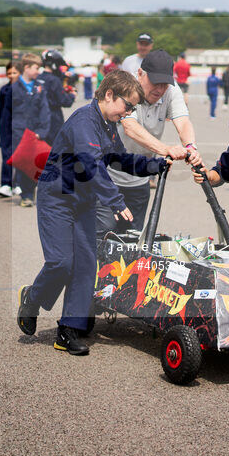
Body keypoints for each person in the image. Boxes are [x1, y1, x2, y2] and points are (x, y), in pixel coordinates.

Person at [17, 69, 169, 356]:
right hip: (58, 198)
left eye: (133, 109)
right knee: (61, 262)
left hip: (83, 201)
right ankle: (32, 296)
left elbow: (118, 158)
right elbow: (92, 164)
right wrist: (117, 201)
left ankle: (67, 331)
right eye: (127, 106)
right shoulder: (84, 122)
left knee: (86, 265)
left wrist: (153, 165)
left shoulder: (109, 125)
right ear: (109, 95)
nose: (128, 113)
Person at [96, 49, 202, 236]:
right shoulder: (126, 89)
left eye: (165, 84)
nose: (160, 90)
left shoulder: (172, 91)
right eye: (155, 83)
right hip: (108, 175)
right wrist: (165, 149)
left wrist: (191, 147)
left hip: (139, 177)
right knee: (104, 235)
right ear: (140, 74)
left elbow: (183, 122)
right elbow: (130, 126)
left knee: (132, 239)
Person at [11, 53, 51, 207]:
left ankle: (28, 192)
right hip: (19, 133)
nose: (38, 71)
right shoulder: (14, 88)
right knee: (22, 163)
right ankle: (24, 193)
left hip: (36, 133)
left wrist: (42, 131)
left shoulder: (39, 88)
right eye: (36, 68)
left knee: (35, 163)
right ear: (26, 68)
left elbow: (44, 111)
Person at [38, 49, 76, 144]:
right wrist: (72, 95)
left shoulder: (39, 78)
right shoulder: (54, 81)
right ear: (54, 65)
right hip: (53, 118)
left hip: (39, 116)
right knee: (55, 148)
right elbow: (65, 101)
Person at [0, 62, 21, 198]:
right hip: (6, 127)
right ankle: (6, 184)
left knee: (20, 156)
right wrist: (2, 127)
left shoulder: (25, 89)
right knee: (7, 155)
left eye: (14, 73)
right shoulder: (4, 90)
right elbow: (1, 111)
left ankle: (18, 183)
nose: (11, 76)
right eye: (9, 73)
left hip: (20, 127)